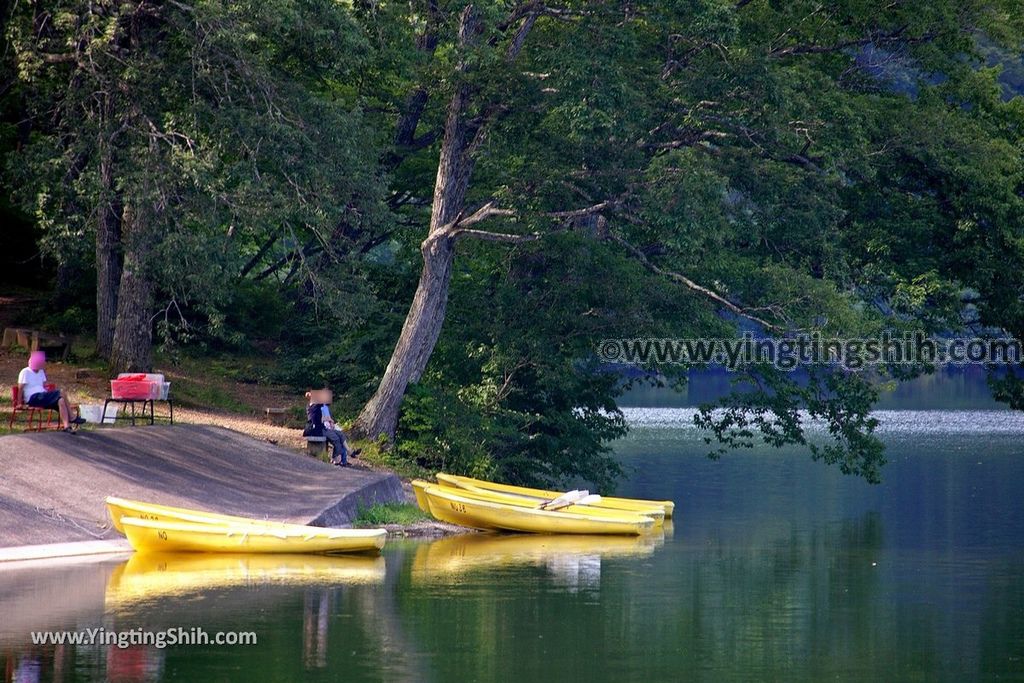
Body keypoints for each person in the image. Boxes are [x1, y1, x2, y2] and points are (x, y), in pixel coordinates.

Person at [17, 351, 85, 433]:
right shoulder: (25, 372)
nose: (41, 364)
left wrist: (50, 392)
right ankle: (72, 416)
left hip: (43, 396)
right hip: (33, 398)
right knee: (61, 393)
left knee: (61, 400)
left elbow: (44, 386)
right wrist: (19, 403)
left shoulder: (41, 372)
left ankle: (67, 426)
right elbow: (20, 388)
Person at [303, 389, 350, 467]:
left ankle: (342, 457)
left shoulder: (319, 406)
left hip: (323, 428)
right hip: (317, 430)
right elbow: (308, 395)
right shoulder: (313, 406)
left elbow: (324, 416)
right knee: (336, 438)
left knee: (340, 435)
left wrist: (330, 421)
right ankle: (337, 458)